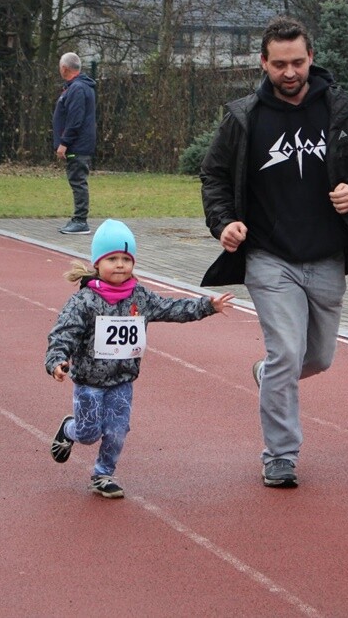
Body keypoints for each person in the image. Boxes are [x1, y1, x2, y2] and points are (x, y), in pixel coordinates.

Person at [199, 15, 348, 488]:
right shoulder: (244, 117)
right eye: (279, 64)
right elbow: (213, 175)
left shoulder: (342, 109)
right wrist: (223, 223)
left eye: (297, 62)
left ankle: (268, 373)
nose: (289, 72)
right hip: (268, 257)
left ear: (311, 58)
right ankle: (280, 454)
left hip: (327, 256)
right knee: (287, 351)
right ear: (263, 62)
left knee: (317, 358)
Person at [45, 219, 234, 497]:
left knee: (117, 431)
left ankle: (103, 474)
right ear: (97, 263)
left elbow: (172, 307)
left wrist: (207, 306)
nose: (120, 265)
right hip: (89, 382)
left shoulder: (140, 296)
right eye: (112, 259)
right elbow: (63, 333)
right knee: (88, 433)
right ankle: (68, 428)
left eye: (126, 259)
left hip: (122, 380)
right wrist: (57, 360)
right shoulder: (84, 301)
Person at [52, 52, 97, 235]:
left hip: (77, 145)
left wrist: (64, 142)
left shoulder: (77, 89)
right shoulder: (77, 87)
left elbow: (74, 119)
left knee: (78, 181)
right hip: (78, 143)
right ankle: (78, 219)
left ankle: (80, 221)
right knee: (77, 180)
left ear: (64, 68)